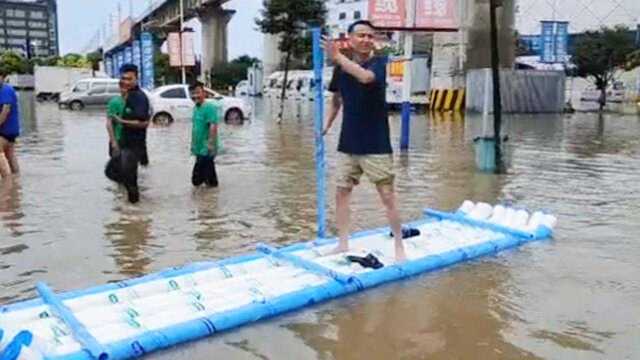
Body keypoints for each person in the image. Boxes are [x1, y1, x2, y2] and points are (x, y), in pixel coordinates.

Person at [322, 20, 406, 262]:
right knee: (341, 193)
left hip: (376, 143)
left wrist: (338, 57)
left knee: (387, 195)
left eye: (371, 36)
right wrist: (326, 125)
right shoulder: (341, 66)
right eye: (361, 35)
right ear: (350, 39)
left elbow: (366, 78)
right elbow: (336, 100)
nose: (367, 40)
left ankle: (399, 246)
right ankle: (342, 243)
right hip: (348, 142)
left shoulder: (379, 63)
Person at [115, 64, 151, 203]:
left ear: (137, 78)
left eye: (130, 79)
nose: (126, 81)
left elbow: (143, 122)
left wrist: (121, 121)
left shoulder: (139, 97)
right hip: (126, 144)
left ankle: (135, 214)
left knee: (130, 181)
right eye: (123, 78)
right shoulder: (128, 95)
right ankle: (131, 212)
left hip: (134, 146)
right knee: (126, 178)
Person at [190, 82, 220, 188]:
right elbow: (195, 128)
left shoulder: (209, 107)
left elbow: (213, 126)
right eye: (193, 94)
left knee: (196, 180)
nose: (195, 96)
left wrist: (211, 145)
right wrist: (193, 145)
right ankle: (209, 199)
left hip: (206, 148)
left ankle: (209, 200)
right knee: (208, 177)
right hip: (199, 148)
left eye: (198, 93)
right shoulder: (196, 108)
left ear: (204, 93)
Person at [104, 80, 127, 183]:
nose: (125, 90)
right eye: (123, 87)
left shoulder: (136, 102)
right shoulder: (114, 102)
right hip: (118, 140)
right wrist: (113, 142)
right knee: (118, 168)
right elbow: (109, 123)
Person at [0, 69, 20, 178]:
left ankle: (7, 181)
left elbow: (5, 111)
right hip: (11, 129)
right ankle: (16, 181)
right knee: (10, 154)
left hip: (6, 129)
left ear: (3, 77)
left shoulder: (5, 90)